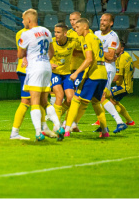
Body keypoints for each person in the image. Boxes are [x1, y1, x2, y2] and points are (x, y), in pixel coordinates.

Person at [17, 9, 63, 141]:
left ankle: (38, 132)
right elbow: (52, 52)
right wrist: (44, 61)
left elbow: (20, 55)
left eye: (24, 19)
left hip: (35, 69)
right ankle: (58, 126)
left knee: (35, 102)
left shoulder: (26, 34)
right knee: (45, 101)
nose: (23, 22)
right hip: (46, 67)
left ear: (29, 20)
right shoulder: (46, 31)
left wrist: (30, 56)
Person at [64, 18, 109, 138]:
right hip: (103, 74)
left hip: (93, 75)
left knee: (75, 99)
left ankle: (67, 129)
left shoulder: (87, 39)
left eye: (77, 27)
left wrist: (76, 72)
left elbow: (89, 59)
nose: (75, 29)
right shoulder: (96, 38)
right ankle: (105, 131)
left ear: (85, 27)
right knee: (96, 102)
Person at [91, 13, 127, 133]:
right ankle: (103, 125)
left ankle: (120, 122)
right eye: (101, 20)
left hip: (107, 69)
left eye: (105, 20)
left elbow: (111, 56)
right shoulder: (95, 34)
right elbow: (112, 53)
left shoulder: (112, 36)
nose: (102, 22)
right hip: (98, 67)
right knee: (96, 97)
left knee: (101, 96)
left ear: (111, 23)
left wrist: (98, 52)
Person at [50, 22, 78, 122]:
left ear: (65, 33)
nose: (56, 34)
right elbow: (41, 56)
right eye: (55, 32)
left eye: (58, 32)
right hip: (55, 73)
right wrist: (49, 64)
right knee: (60, 95)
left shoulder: (72, 42)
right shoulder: (51, 43)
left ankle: (56, 115)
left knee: (71, 98)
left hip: (67, 74)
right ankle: (56, 124)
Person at [110, 40, 135, 125]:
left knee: (103, 96)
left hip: (123, 86)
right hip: (127, 85)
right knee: (113, 102)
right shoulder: (127, 56)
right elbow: (134, 67)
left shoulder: (121, 59)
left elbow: (117, 77)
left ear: (122, 48)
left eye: (117, 47)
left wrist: (104, 80)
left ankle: (101, 121)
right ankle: (130, 121)